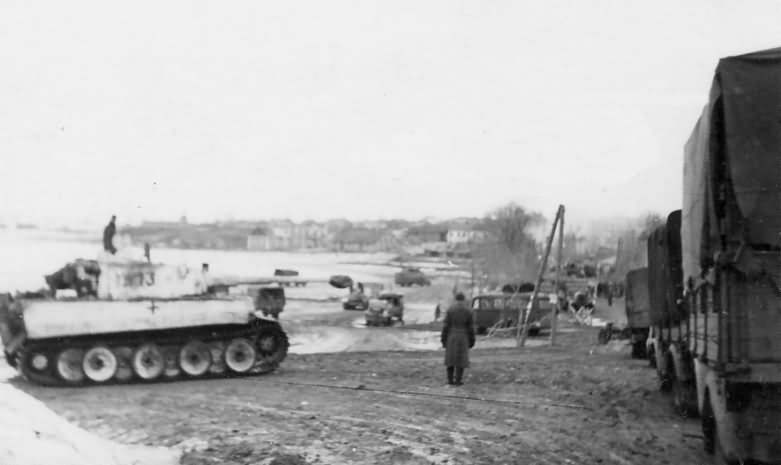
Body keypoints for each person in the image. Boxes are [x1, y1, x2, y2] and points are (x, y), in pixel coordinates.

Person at [440, 292, 475, 386]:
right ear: (464, 299)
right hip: (463, 336)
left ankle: (450, 380)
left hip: (452, 335)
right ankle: (458, 380)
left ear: (456, 299)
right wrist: (472, 340)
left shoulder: (450, 309)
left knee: (450, 359)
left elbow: (446, 326)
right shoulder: (468, 310)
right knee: (461, 359)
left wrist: (443, 339)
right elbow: (471, 328)